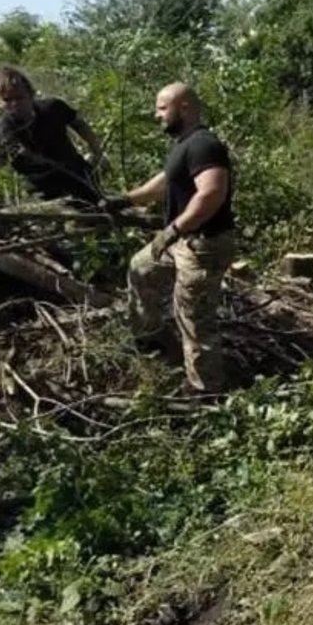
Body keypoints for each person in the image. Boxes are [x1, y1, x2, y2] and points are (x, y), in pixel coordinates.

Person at [100, 83, 237, 393]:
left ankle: (206, 395)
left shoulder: (204, 144)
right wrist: (123, 200)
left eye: (162, 108)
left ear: (185, 107)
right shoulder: (183, 144)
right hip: (181, 241)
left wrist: (173, 230)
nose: (156, 114)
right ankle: (154, 344)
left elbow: (212, 192)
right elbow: (162, 184)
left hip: (203, 244)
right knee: (142, 268)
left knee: (195, 320)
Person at [0, 66, 105, 213]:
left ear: (31, 94)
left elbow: (79, 124)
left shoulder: (53, 108)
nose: (14, 104)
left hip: (80, 178)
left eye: (19, 97)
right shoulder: (0, 132)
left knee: (103, 215)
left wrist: (97, 152)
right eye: (7, 100)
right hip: (44, 194)